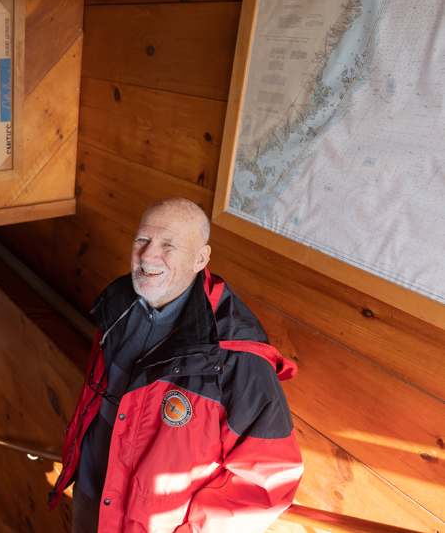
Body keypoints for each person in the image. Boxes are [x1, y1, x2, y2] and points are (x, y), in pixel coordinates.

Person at [48, 198, 303, 533]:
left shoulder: (235, 356)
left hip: (154, 525)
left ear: (200, 258)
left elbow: (269, 478)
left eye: (168, 244)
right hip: (90, 490)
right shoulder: (118, 301)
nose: (148, 255)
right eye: (142, 240)